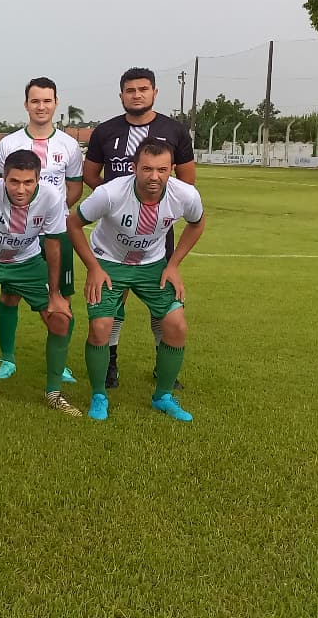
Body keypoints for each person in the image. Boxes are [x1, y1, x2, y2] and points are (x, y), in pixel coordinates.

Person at [67, 138, 205, 422]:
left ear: (172, 169)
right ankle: (98, 394)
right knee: (101, 326)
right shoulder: (110, 193)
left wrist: (174, 265)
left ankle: (163, 396)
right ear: (134, 168)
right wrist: (93, 267)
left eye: (162, 170)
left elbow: (197, 223)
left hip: (152, 264)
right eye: (147, 169)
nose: (154, 177)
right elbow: (73, 223)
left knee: (176, 324)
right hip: (108, 261)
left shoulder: (186, 195)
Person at [84, 67, 198, 389]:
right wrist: (116, 200)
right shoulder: (105, 132)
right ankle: (110, 364)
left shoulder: (174, 130)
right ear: (121, 95)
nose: (137, 94)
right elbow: (93, 176)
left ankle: (164, 368)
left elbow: (187, 181)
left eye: (143, 89)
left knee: (161, 298)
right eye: (130, 90)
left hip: (158, 232)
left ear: (154, 93)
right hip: (116, 231)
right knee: (112, 301)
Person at [0, 150, 78, 416]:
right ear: (4, 179)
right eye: (14, 182)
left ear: (37, 180)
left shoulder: (51, 197)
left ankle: (54, 393)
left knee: (60, 318)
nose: (20, 189)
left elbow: (54, 246)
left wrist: (56, 294)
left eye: (28, 182)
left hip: (28, 262)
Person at [0, 77, 83, 382]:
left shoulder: (69, 145)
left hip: (54, 232)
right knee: (10, 295)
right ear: (26, 104)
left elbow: (75, 186)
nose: (41, 106)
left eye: (47, 100)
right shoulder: (8, 144)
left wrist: (48, 213)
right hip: (16, 232)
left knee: (60, 298)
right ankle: (7, 359)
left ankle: (61, 363)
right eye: (35, 101)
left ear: (55, 102)